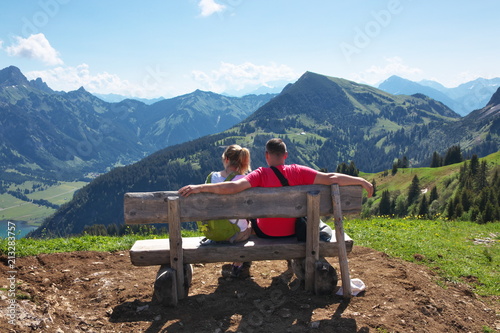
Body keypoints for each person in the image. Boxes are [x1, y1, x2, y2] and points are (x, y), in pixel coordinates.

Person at [179, 138, 374, 239]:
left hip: (266, 233)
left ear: (266, 156)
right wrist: (360, 181)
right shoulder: (299, 171)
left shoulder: (260, 174)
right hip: (295, 232)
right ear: (285, 155)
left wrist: (199, 187)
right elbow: (331, 177)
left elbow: (232, 187)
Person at [198, 144, 253, 278]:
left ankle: (238, 262)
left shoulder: (211, 178)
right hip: (236, 234)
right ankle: (240, 262)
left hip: (213, 232)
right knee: (252, 226)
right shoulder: (245, 180)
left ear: (226, 159)